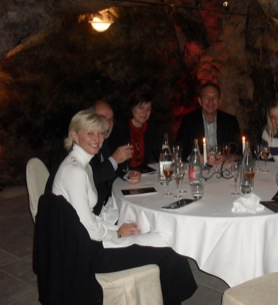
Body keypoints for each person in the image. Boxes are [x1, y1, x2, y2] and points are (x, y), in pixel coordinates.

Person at [52, 110, 197, 304]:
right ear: (74, 135)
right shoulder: (75, 171)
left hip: (87, 243)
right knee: (168, 254)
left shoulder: (81, 164)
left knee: (161, 238)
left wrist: (115, 228)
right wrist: (117, 234)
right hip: (89, 253)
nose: (97, 139)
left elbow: (85, 217)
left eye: (101, 133)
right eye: (90, 133)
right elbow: (88, 228)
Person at [45, 100, 136, 214]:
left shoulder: (102, 141)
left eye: (111, 119)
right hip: (66, 218)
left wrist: (128, 175)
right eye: (102, 118)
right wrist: (114, 159)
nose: (108, 124)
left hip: (98, 209)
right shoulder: (69, 151)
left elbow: (108, 171)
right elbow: (91, 177)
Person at [176, 82, 241, 162]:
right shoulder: (189, 121)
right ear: (200, 101)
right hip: (198, 169)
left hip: (223, 169)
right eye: (206, 97)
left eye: (215, 97)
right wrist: (198, 158)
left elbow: (241, 150)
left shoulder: (230, 121)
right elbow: (179, 150)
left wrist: (232, 157)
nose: (211, 101)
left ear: (219, 101)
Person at [108, 89, 161, 172]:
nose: (145, 112)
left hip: (143, 175)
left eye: (148, 109)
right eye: (141, 108)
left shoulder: (151, 129)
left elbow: (160, 154)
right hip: (121, 175)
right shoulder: (119, 128)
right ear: (132, 108)